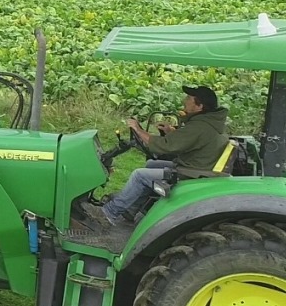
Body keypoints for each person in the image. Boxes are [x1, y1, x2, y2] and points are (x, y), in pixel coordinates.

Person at [92, 85, 229, 228]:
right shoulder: (208, 122)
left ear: (200, 106)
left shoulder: (200, 126)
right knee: (151, 164)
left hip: (190, 174)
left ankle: (109, 212)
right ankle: (132, 208)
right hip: (196, 167)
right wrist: (171, 132)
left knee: (139, 175)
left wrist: (138, 129)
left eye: (189, 98)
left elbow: (166, 146)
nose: (185, 100)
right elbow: (189, 141)